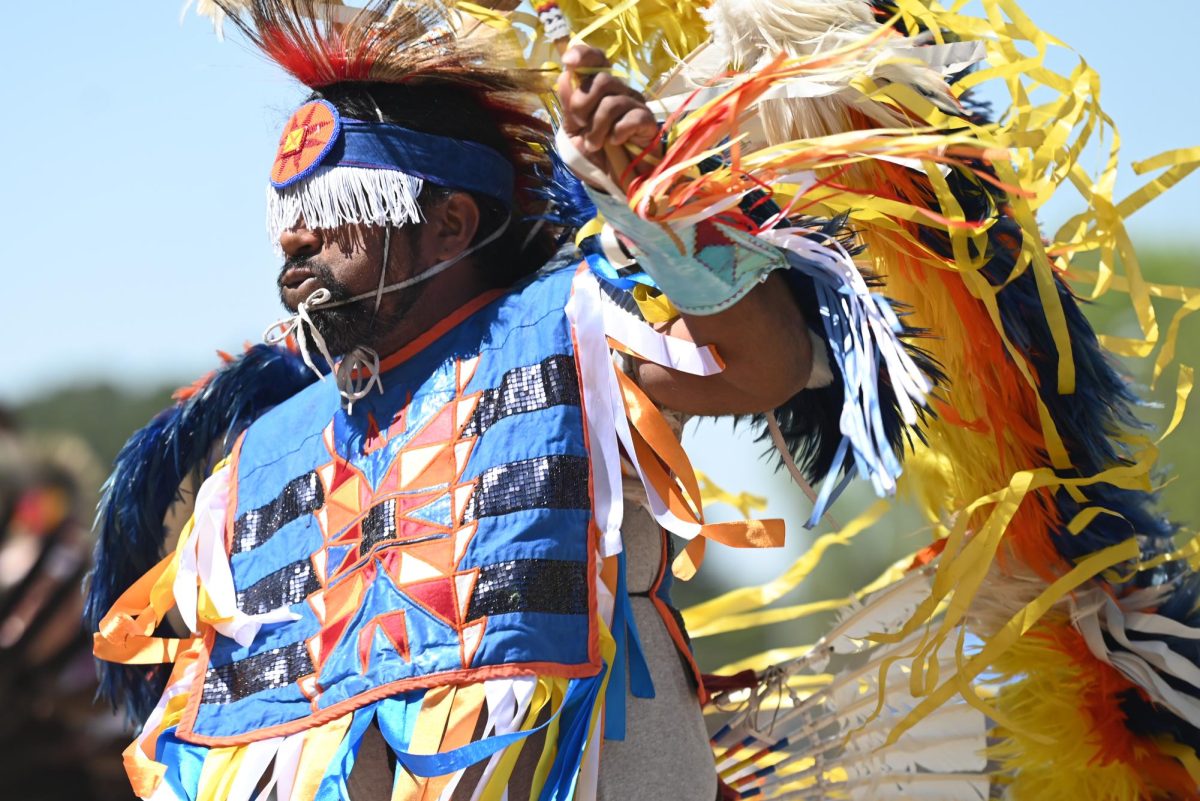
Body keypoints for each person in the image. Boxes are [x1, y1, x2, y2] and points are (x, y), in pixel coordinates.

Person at [89, 1, 1200, 800]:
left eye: (339, 212)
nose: (296, 243)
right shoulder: (259, 455)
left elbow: (759, 368)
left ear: (449, 226)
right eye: (288, 221)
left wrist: (662, 219)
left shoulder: (569, 326)